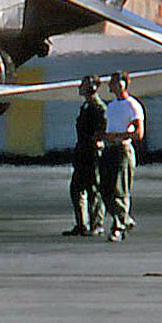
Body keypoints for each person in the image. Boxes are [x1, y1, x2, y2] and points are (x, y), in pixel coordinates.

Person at [99, 71, 145, 242]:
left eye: (118, 82)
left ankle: (118, 226)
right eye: (112, 83)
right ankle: (124, 219)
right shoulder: (111, 107)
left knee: (120, 189)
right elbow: (107, 128)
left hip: (122, 149)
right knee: (104, 189)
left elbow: (138, 133)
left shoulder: (132, 105)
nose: (114, 86)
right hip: (109, 149)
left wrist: (118, 136)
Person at [64, 75, 106, 237]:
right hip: (82, 153)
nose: (79, 87)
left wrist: (97, 143)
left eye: (83, 85)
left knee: (93, 189)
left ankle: (97, 224)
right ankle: (81, 224)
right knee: (76, 189)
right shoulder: (86, 106)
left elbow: (101, 130)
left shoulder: (98, 107)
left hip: (92, 154)